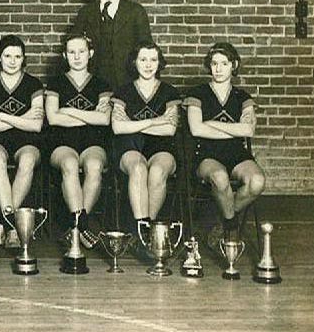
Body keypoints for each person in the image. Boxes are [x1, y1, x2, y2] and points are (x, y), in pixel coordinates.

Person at [185, 42, 265, 249]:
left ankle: (224, 222)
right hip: (206, 153)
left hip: (236, 153)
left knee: (257, 182)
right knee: (220, 178)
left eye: (224, 63)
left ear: (234, 65)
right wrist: (233, 129)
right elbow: (196, 130)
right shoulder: (197, 93)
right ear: (209, 66)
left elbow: (248, 130)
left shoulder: (242, 97)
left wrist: (211, 123)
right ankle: (231, 228)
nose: (218, 69)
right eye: (214, 64)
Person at [45, 32, 112, 249]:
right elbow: (53, 119)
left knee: (94, 165)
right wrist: (89, 115)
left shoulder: (102, 84)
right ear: (65, 55)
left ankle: (75, 227)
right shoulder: (55, 83)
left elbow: (103, 120)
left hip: (93, 142)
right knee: (70, 164)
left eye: (81, 51)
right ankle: (83, 226)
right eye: (71, 52)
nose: (77, 57)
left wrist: (68, 111)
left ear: (90, 53)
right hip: (62, 142)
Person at [111, 42, 180, 249]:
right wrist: (155, 121)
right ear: (134, 62)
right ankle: (142, 229)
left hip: (162, 146)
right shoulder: (123, 91)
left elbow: (169, 129)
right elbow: (118, 128)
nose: (148, 65)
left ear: (159, 63)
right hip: (130, 145)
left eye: (153, 60)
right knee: (139, 169)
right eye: (143, 59)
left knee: (157, 171)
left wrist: (133, 125)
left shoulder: (169, 92)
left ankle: (149, 232)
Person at [0, 35, 44, 248]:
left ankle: (3, 223)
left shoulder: (33, 84)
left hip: (27, 141)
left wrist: (3, 117)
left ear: (23, 58)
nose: (12, 61)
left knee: (27, 160)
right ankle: (12, 227)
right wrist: (23, 118)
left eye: (17, 56)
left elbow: (36, 125)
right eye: (7, 56)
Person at [71, 0, 152, 90]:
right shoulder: (85, 13)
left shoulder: (136, 11)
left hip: (128, 83)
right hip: (93, 84)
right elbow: (73, 48)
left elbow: (148, 51)